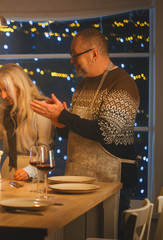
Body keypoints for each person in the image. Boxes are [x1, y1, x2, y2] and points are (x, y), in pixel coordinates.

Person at [30, 28, 139, 239]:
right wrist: (60, 124)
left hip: (113, 183)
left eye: (74, 54)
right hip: (80, 183)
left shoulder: (122, 84)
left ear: (94, 53)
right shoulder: (82, 85)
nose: (71, 60)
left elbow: (107, 133)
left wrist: (64, 117)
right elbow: (80, 134)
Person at [0, 63, 55, 181]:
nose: (3, 95)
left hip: (33, 173)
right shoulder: (6, 112)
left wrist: (28, 171)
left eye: (7, 89)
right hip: (7, 171)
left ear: (20, 86)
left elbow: (45, 150)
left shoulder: (41, 108)